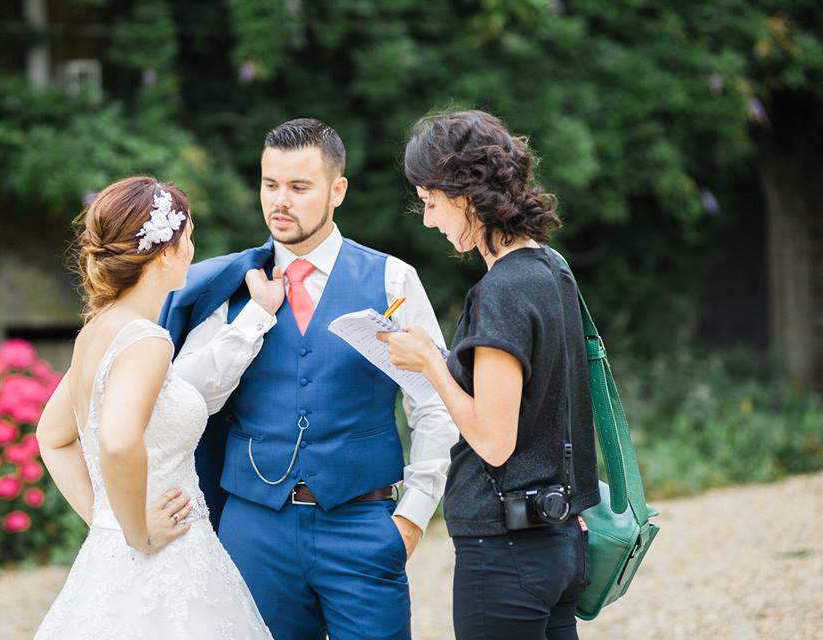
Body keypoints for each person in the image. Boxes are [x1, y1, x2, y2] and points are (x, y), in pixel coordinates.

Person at [160, 118, 459, 640]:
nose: (281, 201)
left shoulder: (391, 279)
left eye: (299, 187)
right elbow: (185, 399)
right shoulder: (229, 287)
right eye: (270, 184)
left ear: (336, 190)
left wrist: (412, 515)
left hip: (362, 524)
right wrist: (252, 319)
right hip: (254, 529)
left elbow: (435, 402)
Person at [379, 110, 600, 639]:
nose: (428, 219)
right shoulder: (552, 268)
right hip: (560, 541)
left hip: (507, 550)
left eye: (430, 202)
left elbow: (495, 441)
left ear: (465, 194)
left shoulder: (502, 290)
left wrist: (432, 363)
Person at [34, 176, 281, 639]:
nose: (192, 249)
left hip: (115, 555)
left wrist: (105, 520)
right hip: (162, 556)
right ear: (165, 252)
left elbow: (52, 437)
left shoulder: (96, 332)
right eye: (188, 238)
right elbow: (119, 440)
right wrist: (136, 533)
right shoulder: (147, 340)